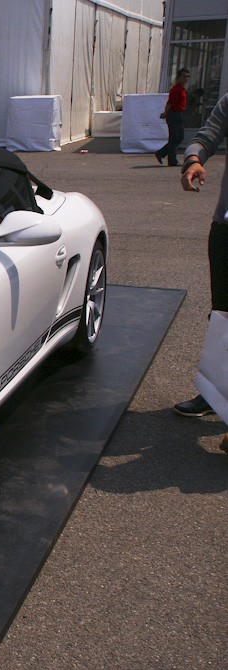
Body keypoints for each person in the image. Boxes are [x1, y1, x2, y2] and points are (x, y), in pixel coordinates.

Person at [173, 92, 228, 417]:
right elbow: (206, 137)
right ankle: (215, 394)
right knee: (221, 314)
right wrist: (193, 160)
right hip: (225, 228)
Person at [155, 68, 190, 167]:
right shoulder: (176, 89)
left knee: (179, 137)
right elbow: (170, 103)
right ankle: (172, 160)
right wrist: (165, 113)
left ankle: (161, 153)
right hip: (174, 114)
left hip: (179, 114)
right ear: (178, 77)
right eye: (184, 76)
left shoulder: (182, 89)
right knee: (174, 137)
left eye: (188, 77)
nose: (186, 79)